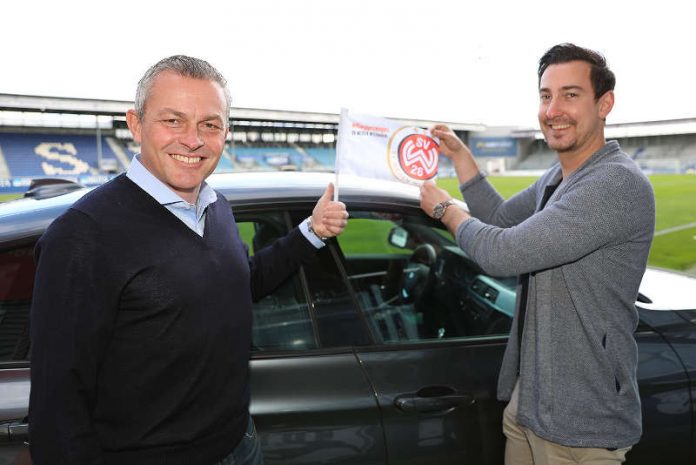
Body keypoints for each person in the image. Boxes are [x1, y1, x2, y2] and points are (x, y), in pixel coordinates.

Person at [29, 55, 348, 465]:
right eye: (173, 120)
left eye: (209, 125)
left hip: (239, 442)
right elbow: (58, 400)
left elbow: (239, 285)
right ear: (136, 124)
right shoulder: (83, 235)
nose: (193, 140)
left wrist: (313, 231)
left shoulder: (218, 207)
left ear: (226, 133)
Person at [420, 43, 655, 464]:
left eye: (570, 94)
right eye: (546, 96)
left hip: (582, 423)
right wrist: (462, 156)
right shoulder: (558, 175)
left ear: (605, 104)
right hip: (531, 405)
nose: (553, 109)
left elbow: (502, 252)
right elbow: (500, 220)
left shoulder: (614, 184)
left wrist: (445, 210)